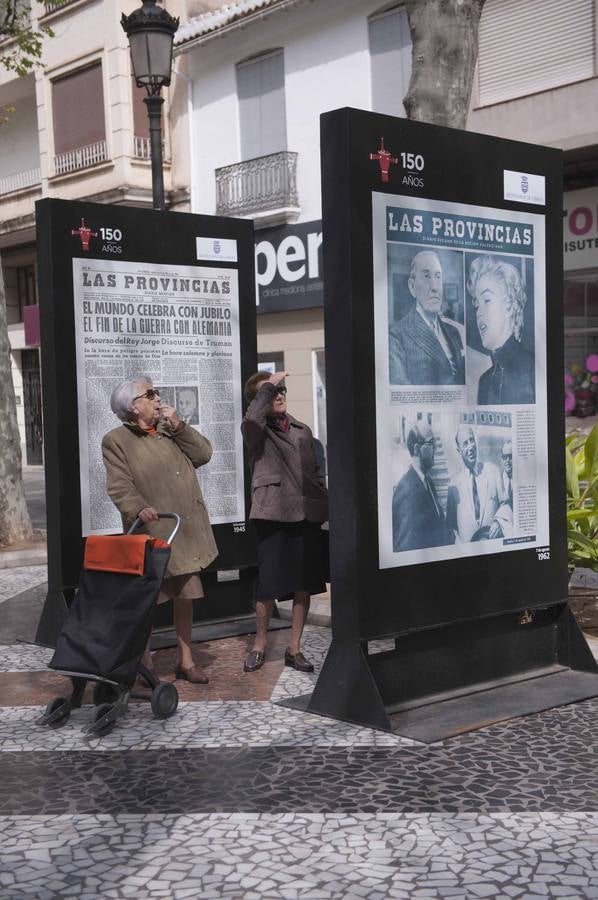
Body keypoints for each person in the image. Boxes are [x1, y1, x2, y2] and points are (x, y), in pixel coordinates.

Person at [102, 376, 218, 684]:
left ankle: (186, 660)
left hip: (183, 531)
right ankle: (146, 665)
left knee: (185, 596)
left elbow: (203, 454)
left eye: (155, 393)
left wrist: (180, 426)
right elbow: (119, 484)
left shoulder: (170, 431)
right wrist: (137, 507)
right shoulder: (116, 440)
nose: (157, 398)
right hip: (152, 532)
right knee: (147, 605)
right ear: (133, 406)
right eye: (149, 394)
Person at [241, 369, 328, 673]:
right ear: (260, 399)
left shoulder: (303, 430)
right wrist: (266, 386)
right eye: (272, 392)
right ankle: (260, 645)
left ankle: (294, 649)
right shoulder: (257, 430)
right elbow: (251, 419)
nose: (279, 395)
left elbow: (317, 469)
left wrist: (322, 500)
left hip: (306, 515)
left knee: (303, 585)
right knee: (269, 586)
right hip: (273, 515)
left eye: (282, 390)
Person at [389, 250, 465, 385]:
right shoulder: (396, 334)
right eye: (426, 276)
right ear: (412, 287)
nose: (435, 287)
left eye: (438, 277)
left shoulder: (454, 332)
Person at [467, 256, 535, 405]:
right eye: (477, 304)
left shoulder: (534, 369)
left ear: (509, 305)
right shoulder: (484, 381)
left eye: (486, 300)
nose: (478, 312)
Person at [392, 422, 450, 552]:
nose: (435, 447)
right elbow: (404, 549)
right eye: (431, 443)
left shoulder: (428, 481)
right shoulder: (406, 491)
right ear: (417, 449)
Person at [445, 424, 503, 543]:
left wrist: (499, 521)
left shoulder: (493, 471)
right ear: (459, 451)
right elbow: (450, 526)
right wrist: (459, 544)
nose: (470, 446)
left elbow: (506, 504)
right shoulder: (454, 485)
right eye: (465, 443)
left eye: (472, 440)